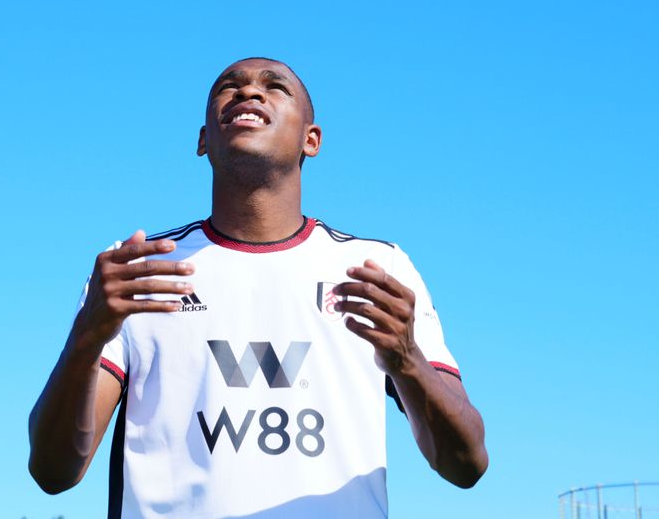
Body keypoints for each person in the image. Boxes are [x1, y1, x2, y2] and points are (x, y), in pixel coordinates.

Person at [29, 57, 488, 517]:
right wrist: (87, 336)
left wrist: (407, 361)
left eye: (274, 86)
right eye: (229, 87)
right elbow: (53, 472)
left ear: (312, 140)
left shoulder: (376, 267)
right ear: (203, 139)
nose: (248, 92)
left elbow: (466, 464)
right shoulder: (139, 269)